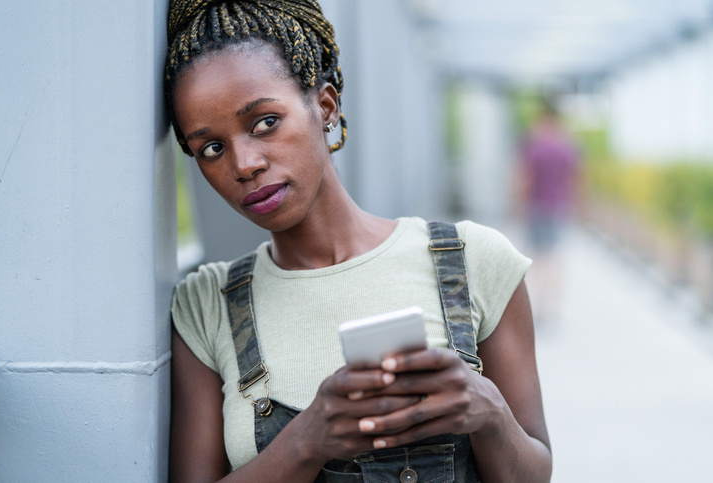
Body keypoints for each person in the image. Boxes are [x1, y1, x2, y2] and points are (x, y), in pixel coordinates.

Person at [165, 1, 551, 482]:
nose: (244, 164)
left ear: (325, 107)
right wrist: (306, 442)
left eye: (265, 121)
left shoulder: (475, 260)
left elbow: (534, 474)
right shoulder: (207, 305)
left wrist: (489, 412)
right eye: (212, 148)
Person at [518, 98, 580, 328]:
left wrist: (518, 207)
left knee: (539, 259)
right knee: (555, 258)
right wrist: (576, 206)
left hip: (537, 208)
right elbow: (575, 179)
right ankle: (553, 308)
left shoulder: (534, 147)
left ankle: (542, 306)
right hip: (558, 207)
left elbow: (525, 179)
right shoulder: (567, 147)